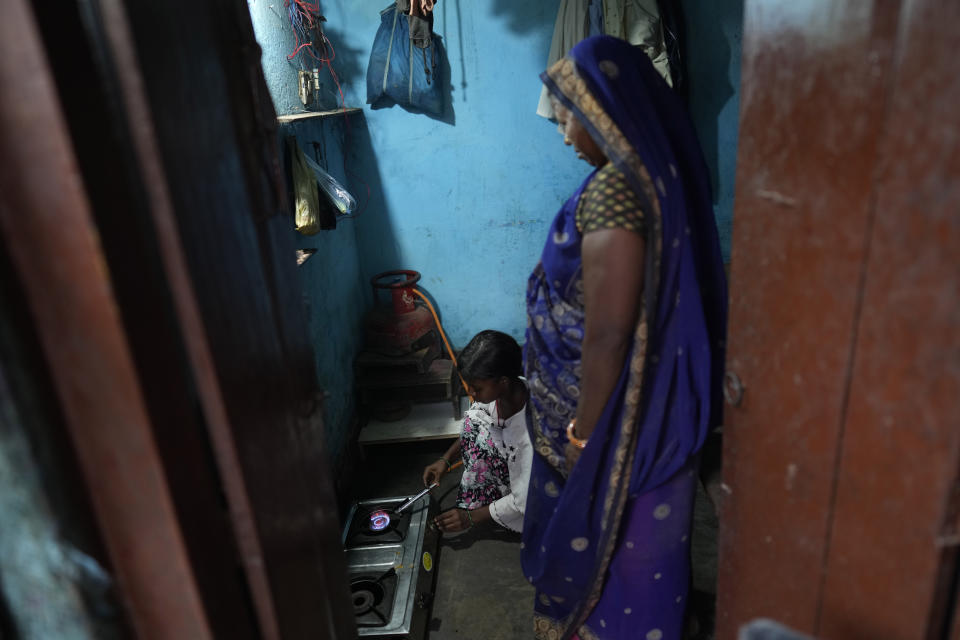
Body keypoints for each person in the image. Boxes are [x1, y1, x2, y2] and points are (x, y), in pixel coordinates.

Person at [521, 36, 728, 640]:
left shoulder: (616, 189)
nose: (565, 135)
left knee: (621, 530)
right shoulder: (656, 180)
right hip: (650, 399)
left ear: (607, 114)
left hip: (614, 414)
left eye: (571, 118)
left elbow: (609, 333)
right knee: (645, 536)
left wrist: (586, 429)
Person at [423, 330, 533, 534]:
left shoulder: (530, 437)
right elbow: (476, 429)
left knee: (526, 499)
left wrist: (470, 518)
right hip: (506, 462)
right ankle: (489, 495)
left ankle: (493, 506)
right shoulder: (500, 397)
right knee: (474, 420)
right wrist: (445, 459)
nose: (470, 393)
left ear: (503, 381)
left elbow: (525, 498)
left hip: (528, 501)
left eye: (477, 388)